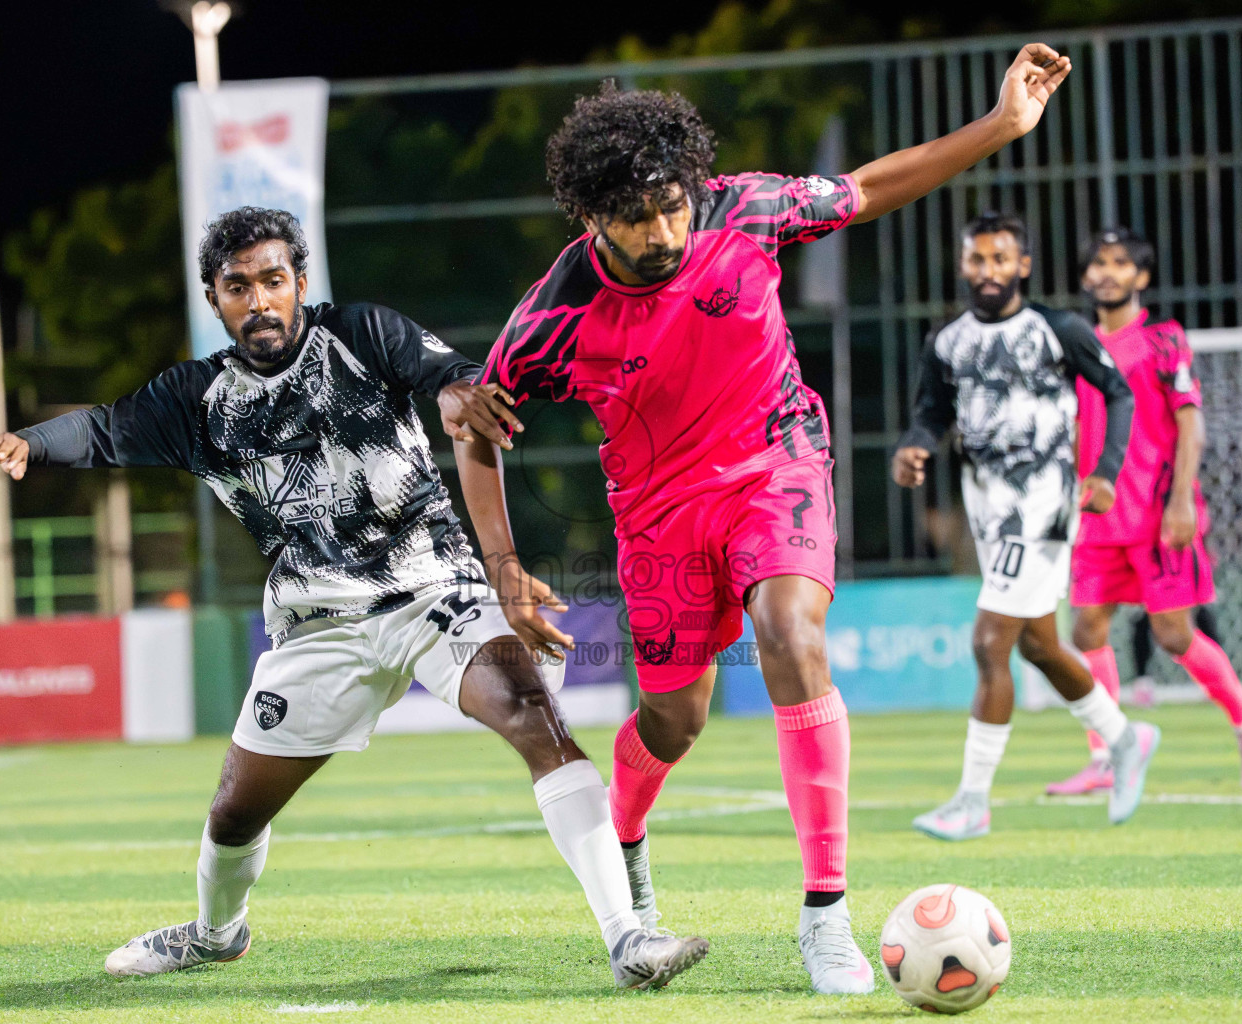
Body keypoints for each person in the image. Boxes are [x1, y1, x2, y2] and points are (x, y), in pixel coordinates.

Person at [455, 45, 1076, 994]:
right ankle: (625, 843)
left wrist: (1000, 127)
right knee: (673, 718)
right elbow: (479, 429)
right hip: (658, 518)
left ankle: (826, 915)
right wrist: (503, 565)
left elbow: (867, 189)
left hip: (776, 464)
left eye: (671, 204)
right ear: (589, 217)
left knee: (791, 634)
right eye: (634, 217)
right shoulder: (552, 317)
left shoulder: (744, 210)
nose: (662, 230)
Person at [0, 207, 708, 990]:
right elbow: (106, 428)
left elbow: (447, 380)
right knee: (234, 813)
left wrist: (460, 393)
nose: (259, 300)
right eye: (238, 287)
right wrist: (31, 442)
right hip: (317, 624)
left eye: (273, 281)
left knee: (531, 712)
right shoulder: (196, 399)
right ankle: (217, 933)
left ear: (301, 284)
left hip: (432, 589)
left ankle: (628, 938)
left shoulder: (362, 335)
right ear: (214, 299)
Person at [892, 211, 1159, 842]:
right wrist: (914, 445)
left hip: (1042, 502)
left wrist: (1107, 471)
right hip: (985, 504)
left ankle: (972, 800)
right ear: (964, 265)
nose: (989, 271)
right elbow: (931, 412)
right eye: (978, 259)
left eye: (1001, 259)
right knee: (1039, 645)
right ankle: (1124, 738)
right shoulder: (947, 341)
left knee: (990, 643)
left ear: (1023, 265)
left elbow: (1117, 393)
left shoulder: (1058, 327)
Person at [1046, 227, 1242, 796]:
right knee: (1086, 627)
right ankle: (1105, 756)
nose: (1106, 272)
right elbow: (1079, 428)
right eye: (1097, 263)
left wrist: (1181, 503)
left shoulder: (1164, 339)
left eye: (1120, 263)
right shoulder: (1077, 344)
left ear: (1141, 278)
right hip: (1099, 515)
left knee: (1173, 635)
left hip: (1155, 512)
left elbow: (1189, 422)